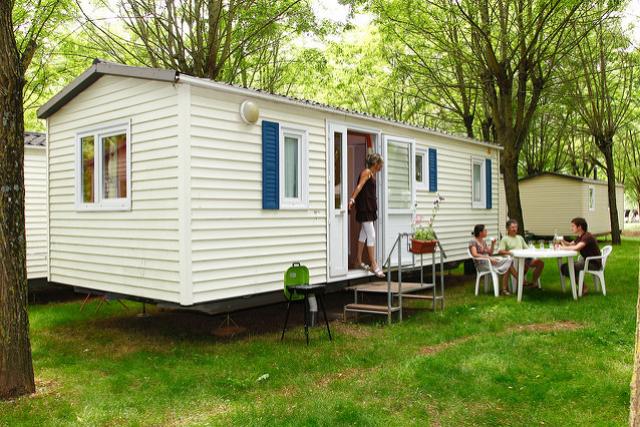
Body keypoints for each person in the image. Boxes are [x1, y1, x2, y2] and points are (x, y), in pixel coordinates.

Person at [348, 153, 385, 278]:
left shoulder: (371, 174)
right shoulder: (367, 172)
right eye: (381, 165)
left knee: (364, 234)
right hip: (365, 209)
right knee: (372, 234)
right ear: (376, 164)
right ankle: (374, 264)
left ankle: (358, 261)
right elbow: (359, 186)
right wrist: (352, 199)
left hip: (369, 208)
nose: (381, 167)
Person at [559, 217, 601, 295]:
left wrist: (562, 247)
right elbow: (570, 244)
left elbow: (576, 248)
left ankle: (584, 288)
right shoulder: (580, 237)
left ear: (579, 227)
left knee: (569, 267)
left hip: (593, 263)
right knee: (564, 267)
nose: (571, 228)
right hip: (587, 261)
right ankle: (583, 286)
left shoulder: (587, 236)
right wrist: (561, 240)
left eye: (573, 226)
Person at [469, 224, 514, 295]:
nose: (487, 232)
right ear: (480, 233)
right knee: (507, 263)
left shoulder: (483, 242)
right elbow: (474, 254)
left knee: (508, 261)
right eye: (485, 230)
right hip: (482, 264)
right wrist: (488, 258)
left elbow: (490, 253)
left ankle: (505, 288)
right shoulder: (473, 241)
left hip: (489, 261)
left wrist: (493, 244)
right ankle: (516, 282)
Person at [498, 219, 545, 287]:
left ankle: (533, 283)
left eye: (516, 227)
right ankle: (521, 281)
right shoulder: (505, 239)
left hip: (524, 259)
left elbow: (527, 248)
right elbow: (500, 251)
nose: (514, 229)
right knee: (523, 265)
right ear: (507, 228)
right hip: (514, 260)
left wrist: (533, 250)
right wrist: (510, 253)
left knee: (540, 263)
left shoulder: (520, 237)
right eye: (512, 227)